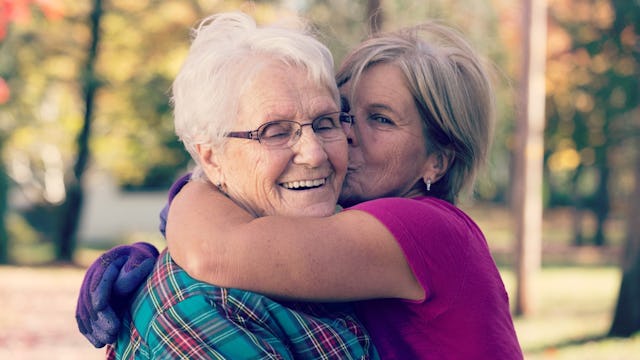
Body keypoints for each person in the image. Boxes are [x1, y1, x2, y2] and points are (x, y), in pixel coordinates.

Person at [78, 18, 524, 359]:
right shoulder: (337, 232)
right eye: (344, 112)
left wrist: (193, 194)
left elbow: (220, 249)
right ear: (209, 153)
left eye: (382, 119)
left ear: (438, 160)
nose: (341, 137)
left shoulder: (422, 227)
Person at [82, 11, 379, 359]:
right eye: (276, 132)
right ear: (211, 158)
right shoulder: (201, 306)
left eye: (325, 122)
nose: (314, 154)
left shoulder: (351, 243)